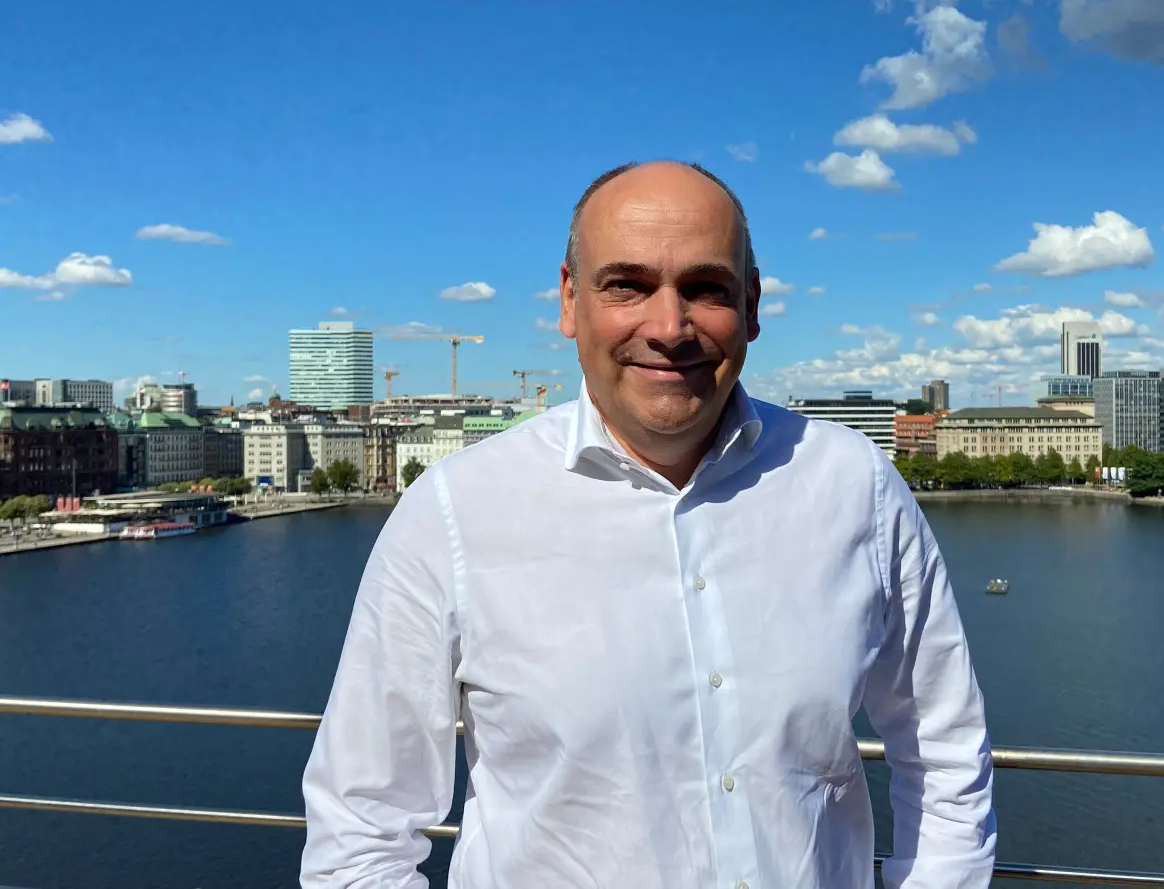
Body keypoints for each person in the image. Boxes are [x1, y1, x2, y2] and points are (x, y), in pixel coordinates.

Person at [301, 161, 996, 888]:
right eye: (627, 285)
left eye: (704, 289)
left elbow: (943, 748)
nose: (669, 328)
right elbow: (361, 832)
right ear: (571, 300)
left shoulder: (855, 486)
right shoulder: (455, 511)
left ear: (751, 305)